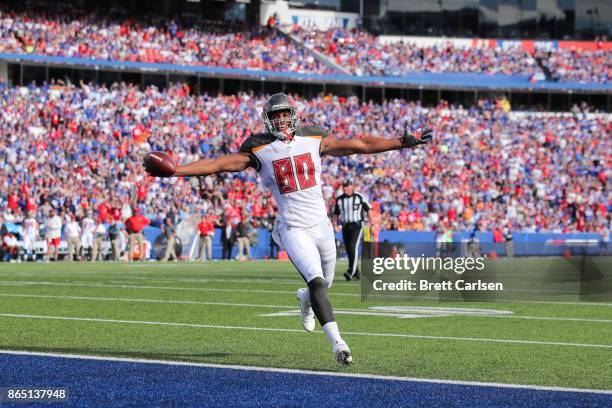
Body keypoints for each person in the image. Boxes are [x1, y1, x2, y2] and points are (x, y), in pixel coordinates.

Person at [144, 92, 433, 366]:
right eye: (276, 115)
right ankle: (339, 344)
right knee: (318, 283)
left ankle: (305, 299)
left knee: (324, 284)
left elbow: (360, 145)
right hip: (293, 228)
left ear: (293, 115)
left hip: (321, 225)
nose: (281, 120)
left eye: (285, 114)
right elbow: (217, 164)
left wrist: (401, 142)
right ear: (268, 119)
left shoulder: (314, 137)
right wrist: (177, 170)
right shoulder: (258, 148)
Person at [333, 181, 370, 281]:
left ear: (352, 187)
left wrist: (372, 223)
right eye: (344, 186)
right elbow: (336, 213)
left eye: (347, 186)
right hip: (345, 226)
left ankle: (351, 272)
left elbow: (368, 209)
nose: (345, 188)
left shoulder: (359, 197)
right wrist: (335, 224)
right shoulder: (340, 199)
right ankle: (356, 273)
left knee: (353, 246)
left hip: (357, 225)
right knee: (349, 249)